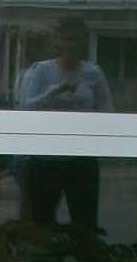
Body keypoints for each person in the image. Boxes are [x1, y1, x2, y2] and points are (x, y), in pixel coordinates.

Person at [10, 19, 113, 230]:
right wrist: (55, 91)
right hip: (46, 159)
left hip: (81, 159)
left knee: (84, 225)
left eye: (76, 40)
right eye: (67, 39)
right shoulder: (43, 71)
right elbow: (26, 108)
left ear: (84, 42)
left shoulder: (93, 73)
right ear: (59, 42)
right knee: (41, 225)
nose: (72, 45)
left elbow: (107, 113)